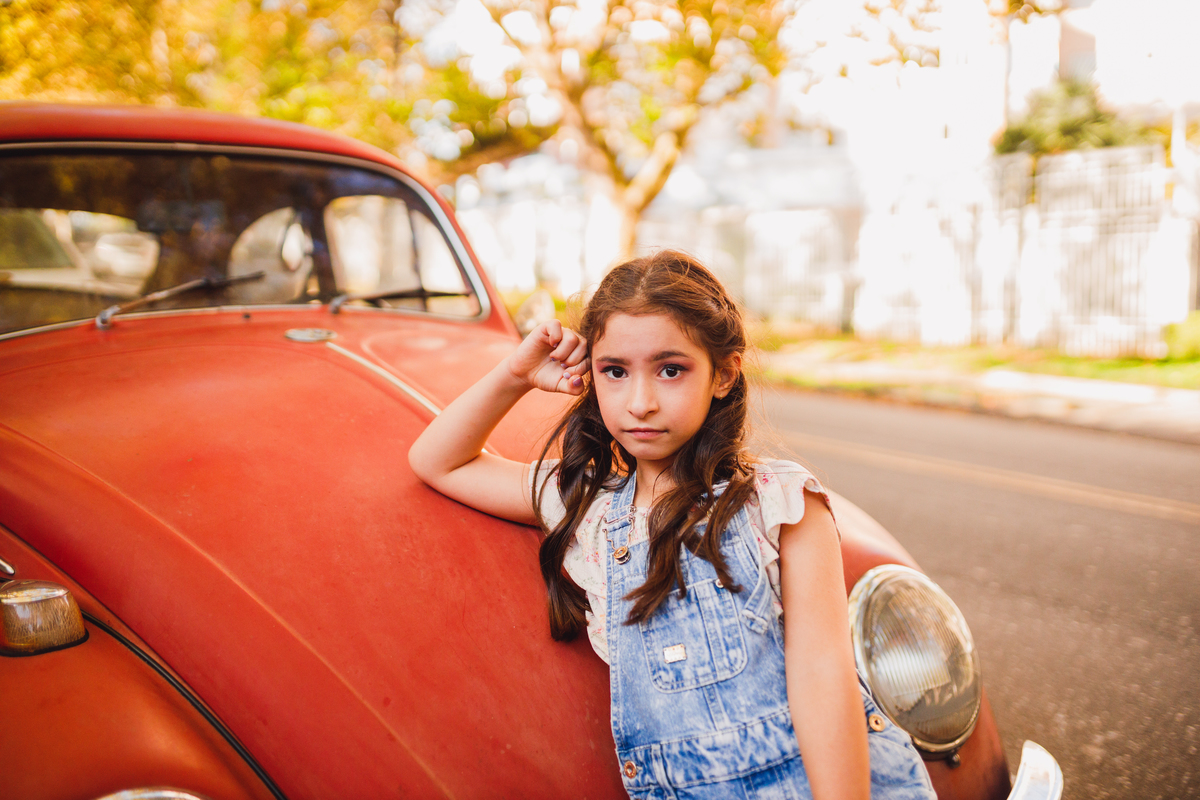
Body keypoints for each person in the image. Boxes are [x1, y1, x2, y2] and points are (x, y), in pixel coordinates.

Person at [409, 250, 935, 800]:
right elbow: (438, 461)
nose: (640, 402)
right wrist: (515, 374)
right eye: (615, 371)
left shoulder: (777, 501)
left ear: (724, 373)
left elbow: (823, 676)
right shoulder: (583, 505)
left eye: (670, 369)